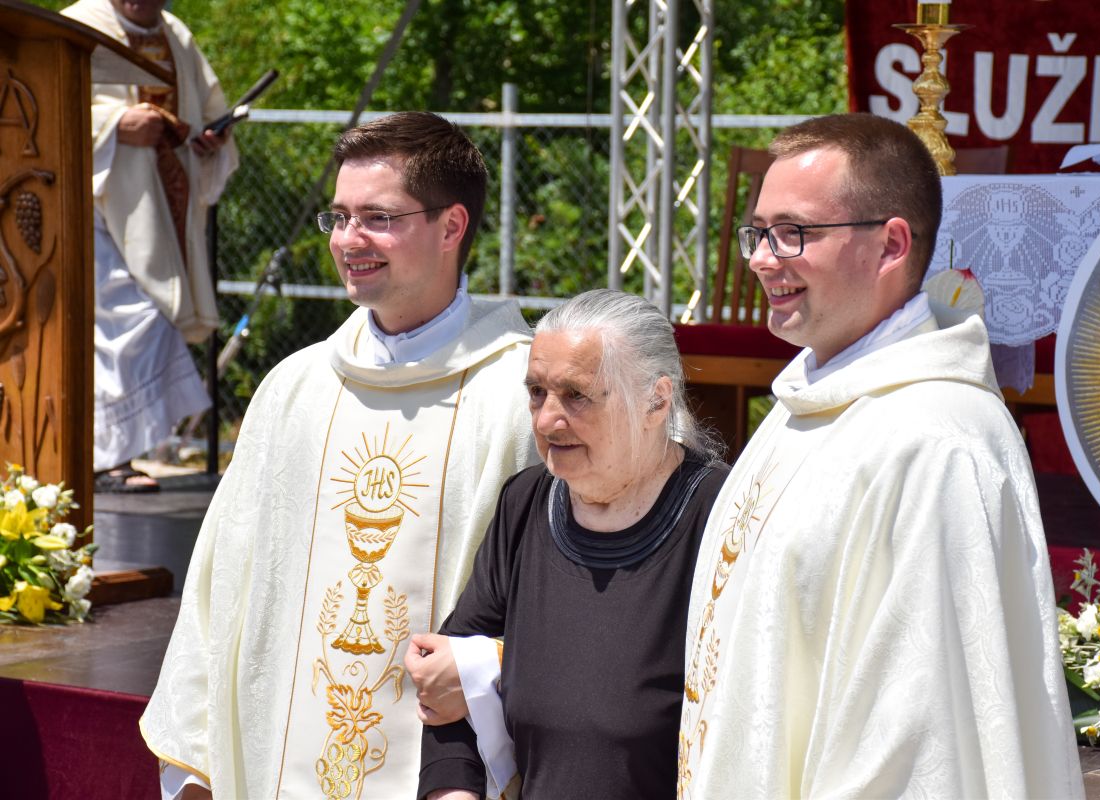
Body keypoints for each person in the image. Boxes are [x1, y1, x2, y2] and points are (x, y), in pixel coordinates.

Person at [677, 114, 1085, 798]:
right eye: (759, 232)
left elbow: (918, 744)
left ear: (891, 244)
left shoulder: (935, 443)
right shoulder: (808, 403)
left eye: (793, 232)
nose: (762, 259)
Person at [138, 112, 539, 799]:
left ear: (452, 227)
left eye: (378, 218)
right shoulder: (295, 389)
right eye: (340, 217)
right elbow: (220, 584)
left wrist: (491, 665)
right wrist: (197, 758)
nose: (349, 240)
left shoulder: (524, 396)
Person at [410, 289, 728, 799]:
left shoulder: (722, 518)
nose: (545, 419)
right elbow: (448, 684)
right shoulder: (525, 505)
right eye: (537, 392)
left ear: (656, 400)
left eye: (576, 395)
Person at [62, 0, 238, 492]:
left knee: (146, 318)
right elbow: (38, 105)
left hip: (159, 205)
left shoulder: (176, 34)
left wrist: (208, 140)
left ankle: (114, 456)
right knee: (131, 319)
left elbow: (207, 111)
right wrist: (113, 126)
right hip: (89, 206)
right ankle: (105, 459)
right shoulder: (77, 26)